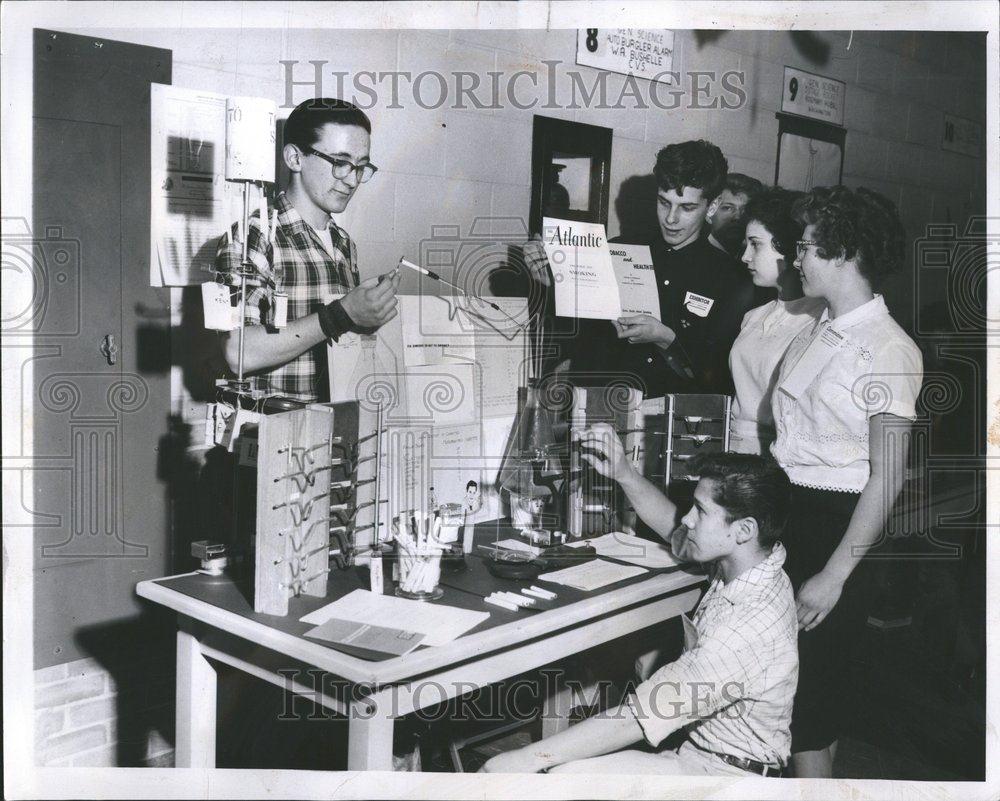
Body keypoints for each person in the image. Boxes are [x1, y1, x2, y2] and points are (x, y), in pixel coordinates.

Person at [482, 427, 797, 776]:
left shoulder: (748, 626)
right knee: (567, 770)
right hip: (700, 753)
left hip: (730, 776)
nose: (687, 519)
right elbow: (674, 528)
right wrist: (624, 474)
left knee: (559, 775)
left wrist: (525, 759)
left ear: (744, 529)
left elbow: (638, 715)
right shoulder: (752, 562)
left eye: (700, 510)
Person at [770, 186, 923, 777]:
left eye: (805, 247)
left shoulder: (888, 348)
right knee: (795, 696)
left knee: (811, 703)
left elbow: (887, 477)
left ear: (843, 253)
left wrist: (835, 575)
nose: (795, 260)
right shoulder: (818, 330)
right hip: (791, 513)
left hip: (836, 529)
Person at [523, 140, 757, 398]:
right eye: (664, 202)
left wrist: (667, 339)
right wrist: (551, 283)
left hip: (668, 426)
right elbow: (576, 337)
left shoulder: (731, 278)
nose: (671, 218)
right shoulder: (616, 250)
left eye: (687, 207)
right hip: (601, 414)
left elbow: (721, 378)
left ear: (711, 207)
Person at [216, 97, 401, 402]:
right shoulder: (253, 236)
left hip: (335, 431)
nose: (352, 180)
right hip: (275, 436)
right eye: (340, 163)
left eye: (361, 167)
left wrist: (369, 314)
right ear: (295, 158)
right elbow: (237, 351)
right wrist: (342, 314)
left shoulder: (343, 244)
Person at [728, 187, 825, 455]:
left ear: (787, 246)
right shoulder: (753, 316)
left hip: (776, 452)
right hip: (734, 446)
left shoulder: (819, 321)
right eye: (745, 246)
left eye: (756, 244)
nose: (745, 256)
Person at [705, 172, 764, 258]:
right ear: (708, 214)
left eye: (746, 210)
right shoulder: (694, 256)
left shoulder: (751, 259)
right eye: (727, 208)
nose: (738, 217)